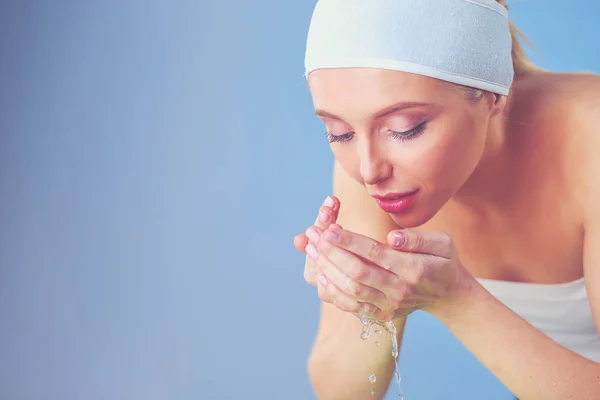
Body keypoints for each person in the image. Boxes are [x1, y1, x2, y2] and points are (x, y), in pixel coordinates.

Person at [292, 0, 600, 399]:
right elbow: (343, 393)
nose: (369, 171)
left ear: (492, 95)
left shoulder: (590, 138)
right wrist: (361, 298)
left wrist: (458, 300)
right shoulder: (375, 173)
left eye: (406, 129)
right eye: (340, 133)